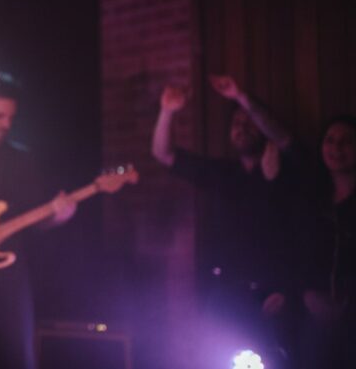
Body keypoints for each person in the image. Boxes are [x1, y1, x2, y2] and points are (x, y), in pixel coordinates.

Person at [151, 75, 299, 366]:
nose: (241, 128)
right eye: (236, 123)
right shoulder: (223, 173)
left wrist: (241, 96)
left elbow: (285, 140)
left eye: (249, 122)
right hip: (225, 294)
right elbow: (163, 153)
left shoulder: (287, 170)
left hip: (271, 296)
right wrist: (166, 111)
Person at [0, 78, 76, 369]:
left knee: (20, 354)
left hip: (10, 273)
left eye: (11, 117)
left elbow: (36, 219)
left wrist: (56, 217)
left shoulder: (22, 160)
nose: (6, 124)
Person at [296, 115, 356, 368]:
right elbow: (298, 252)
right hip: (315, 312)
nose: (336, 148)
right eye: (330, 141)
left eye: (346, 141)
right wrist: (307, 293)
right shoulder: (314, 199)